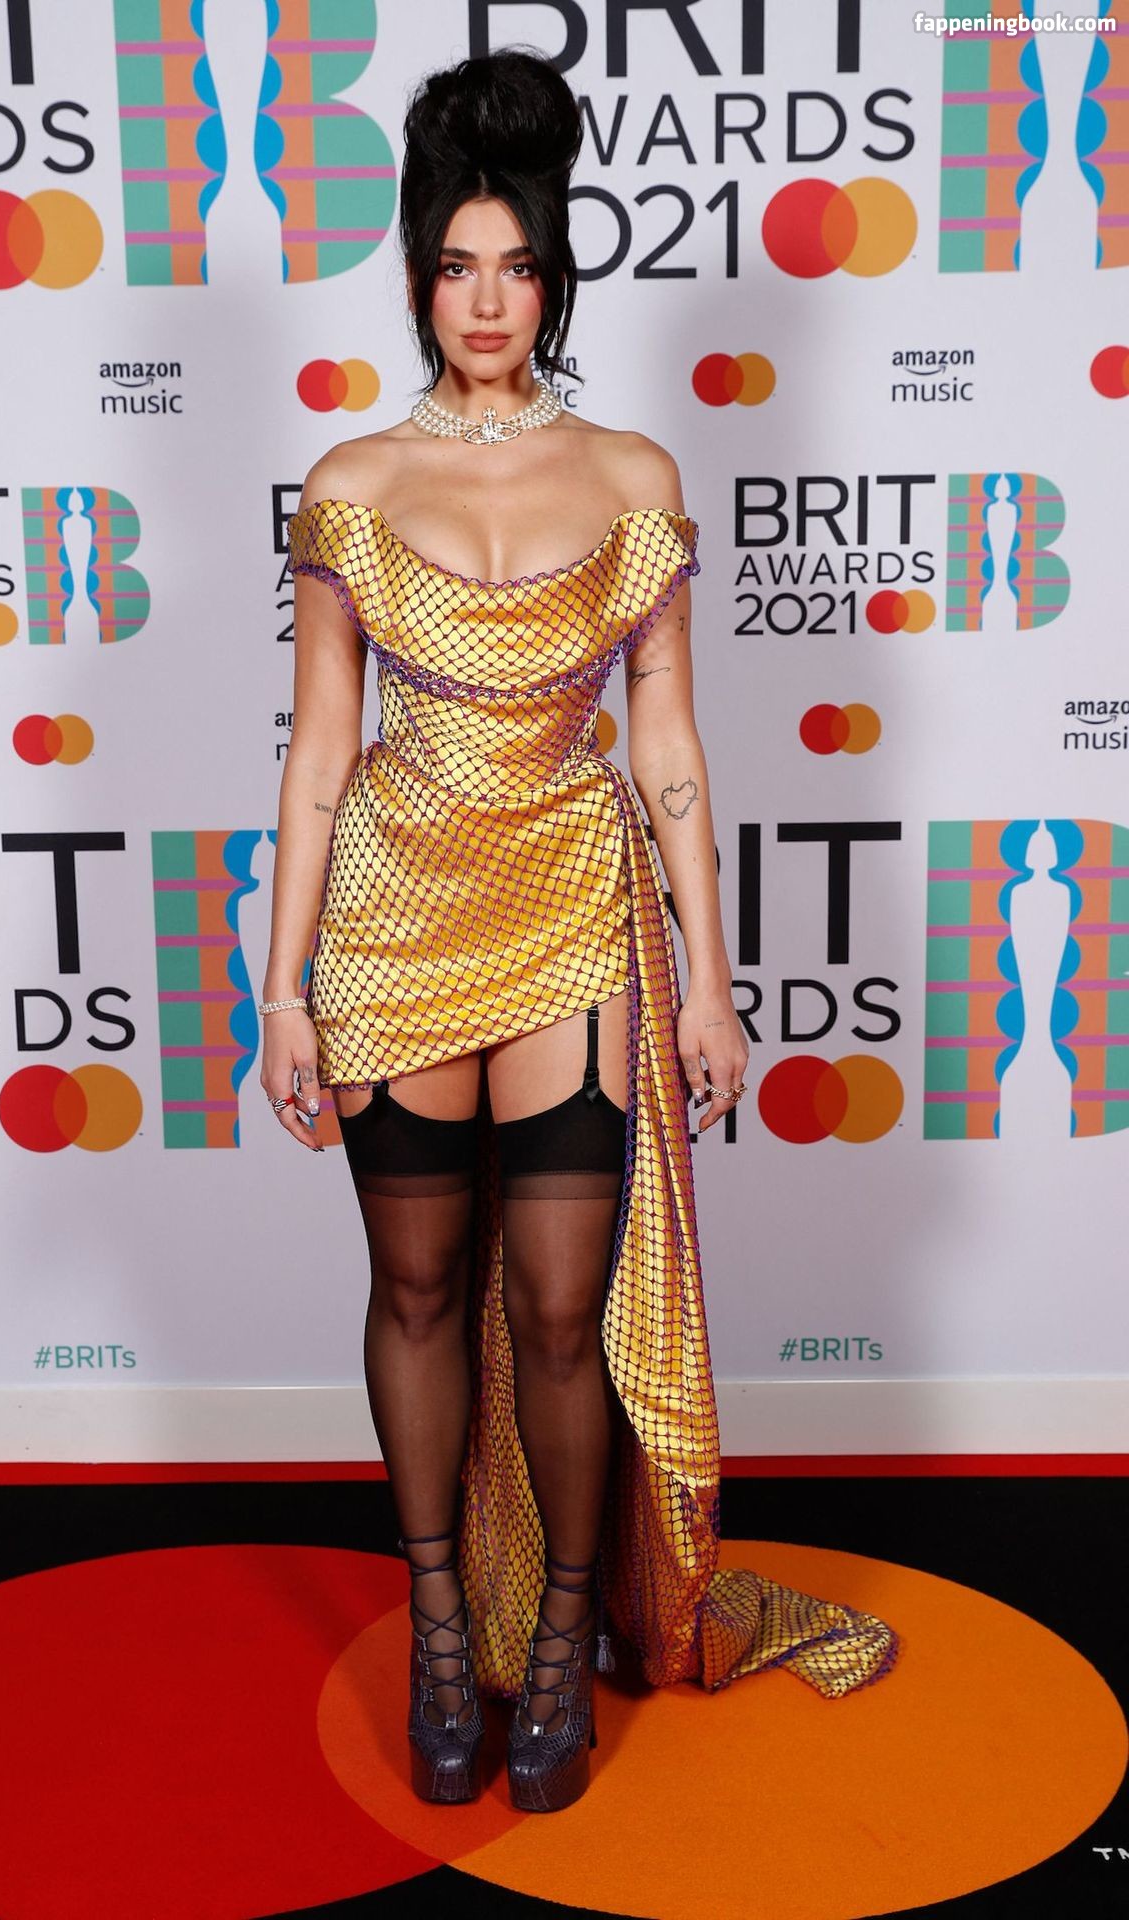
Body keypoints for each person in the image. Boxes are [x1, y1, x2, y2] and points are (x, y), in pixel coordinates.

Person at [260, 48, 899, 1815]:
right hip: (392, 917)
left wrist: (713, 982)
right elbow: (318, 753)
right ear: (417, 273)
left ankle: (557, 1643)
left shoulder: (630, 470)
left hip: (569, 909)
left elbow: (670, 743)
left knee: (560, 1314)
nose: (487, 301)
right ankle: (440, 1629)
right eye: (457, 265)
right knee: (413, 1285)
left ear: (555, 276)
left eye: (519, 266)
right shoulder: (351, 479)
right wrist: (282, 989)